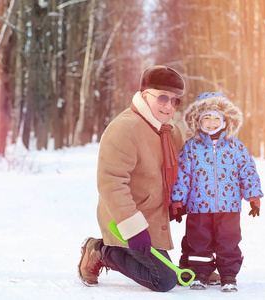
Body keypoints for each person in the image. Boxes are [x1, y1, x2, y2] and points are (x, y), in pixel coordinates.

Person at [78, 65, 185, 292]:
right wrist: (134, 228)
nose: (169, 106)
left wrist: (178, 200)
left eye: (175, 100)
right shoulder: (125, 128)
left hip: (153, 220)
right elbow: (111, 183)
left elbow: (182, 168)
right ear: (145, 96)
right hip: (124, 221)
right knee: (163, 280)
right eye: (163, 97)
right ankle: (100, 250)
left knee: (168, 275)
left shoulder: (169, 131)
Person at [170, 92, 263, 292]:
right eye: (206, 118)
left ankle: (228, 275)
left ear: (225, 120)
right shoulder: (191, 147)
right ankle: (200, 273)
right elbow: (182, 175)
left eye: (215, 118)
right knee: (199, 241)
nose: (211, 123)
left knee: (228, 240)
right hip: (198, 206)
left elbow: (247, 170)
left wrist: (253, 196)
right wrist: (177, 201)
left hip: (228, 206)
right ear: (198, 120)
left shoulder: (235, 146)